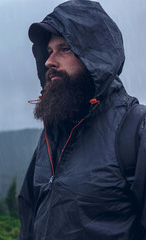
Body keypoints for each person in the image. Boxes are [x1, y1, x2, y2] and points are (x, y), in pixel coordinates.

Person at [18, 1, 146, 239]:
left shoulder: (135, 129)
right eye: (48, 51)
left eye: (64, 48)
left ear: (95, 56)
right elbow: (28, 223)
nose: (49, 61)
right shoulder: (50, 136)